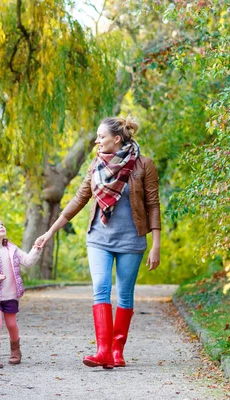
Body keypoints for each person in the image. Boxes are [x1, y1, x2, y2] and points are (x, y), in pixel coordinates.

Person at [35, 116, 161, 369]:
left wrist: (156, 244)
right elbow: (78, 200)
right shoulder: (96, 166)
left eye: (101, 136)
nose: (96, 141)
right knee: (101, 289)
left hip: (132, 240)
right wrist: (50, 232)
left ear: (117, 138)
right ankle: (103, 350)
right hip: (99, 239)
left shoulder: (144, 165)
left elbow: (153, 205)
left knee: (125, 296)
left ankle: (117, 352)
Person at [0, 215, 42, 369]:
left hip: (11, 295)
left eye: (2, 224)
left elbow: (28, 261)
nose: (1, 226)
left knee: (11, 324)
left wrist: (36, 249)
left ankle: (15, 351)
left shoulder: (12, 249)